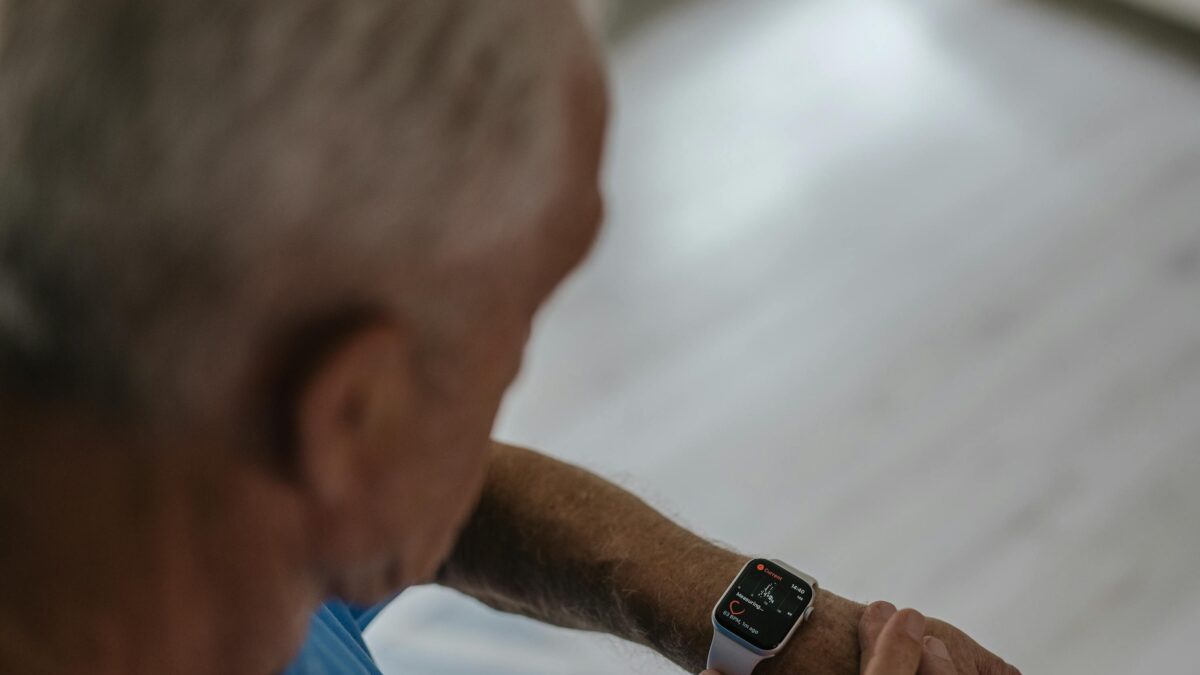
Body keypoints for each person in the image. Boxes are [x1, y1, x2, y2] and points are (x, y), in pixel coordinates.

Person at [0, 1, 1020, 674]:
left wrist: (763, 629)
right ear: (352, 416)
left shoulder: (160, 459)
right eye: (520, 330)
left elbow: (426, 493)